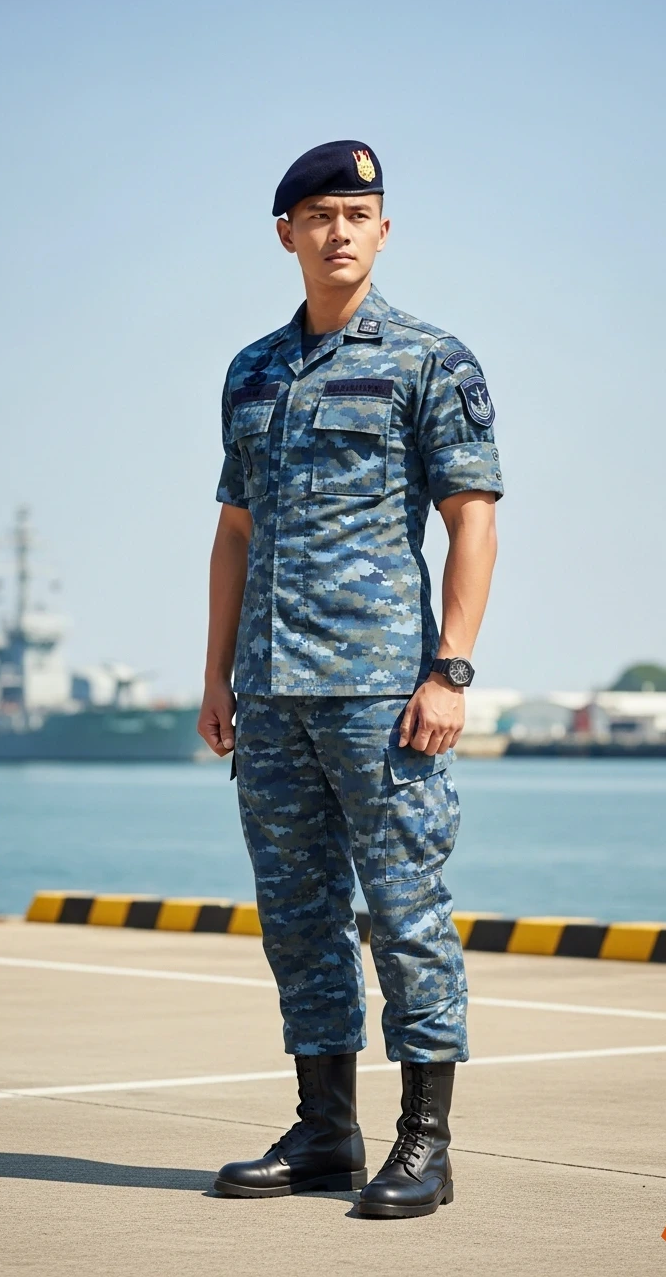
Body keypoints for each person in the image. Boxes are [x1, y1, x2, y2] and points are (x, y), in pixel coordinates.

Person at [199, 139, 504, 1219]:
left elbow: (471, 520)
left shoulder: (429, 360)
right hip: (271, 693)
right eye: (319, 214)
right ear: (286, 233)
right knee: (297, 918)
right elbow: (234, 531)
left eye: (357, 214)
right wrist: (216, 677)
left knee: (406, 913)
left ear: (382, 231)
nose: (338, 231)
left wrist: (448, 670)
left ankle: (426, 1144)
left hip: (383, 694)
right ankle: (326, 1130)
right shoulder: (252, 370)